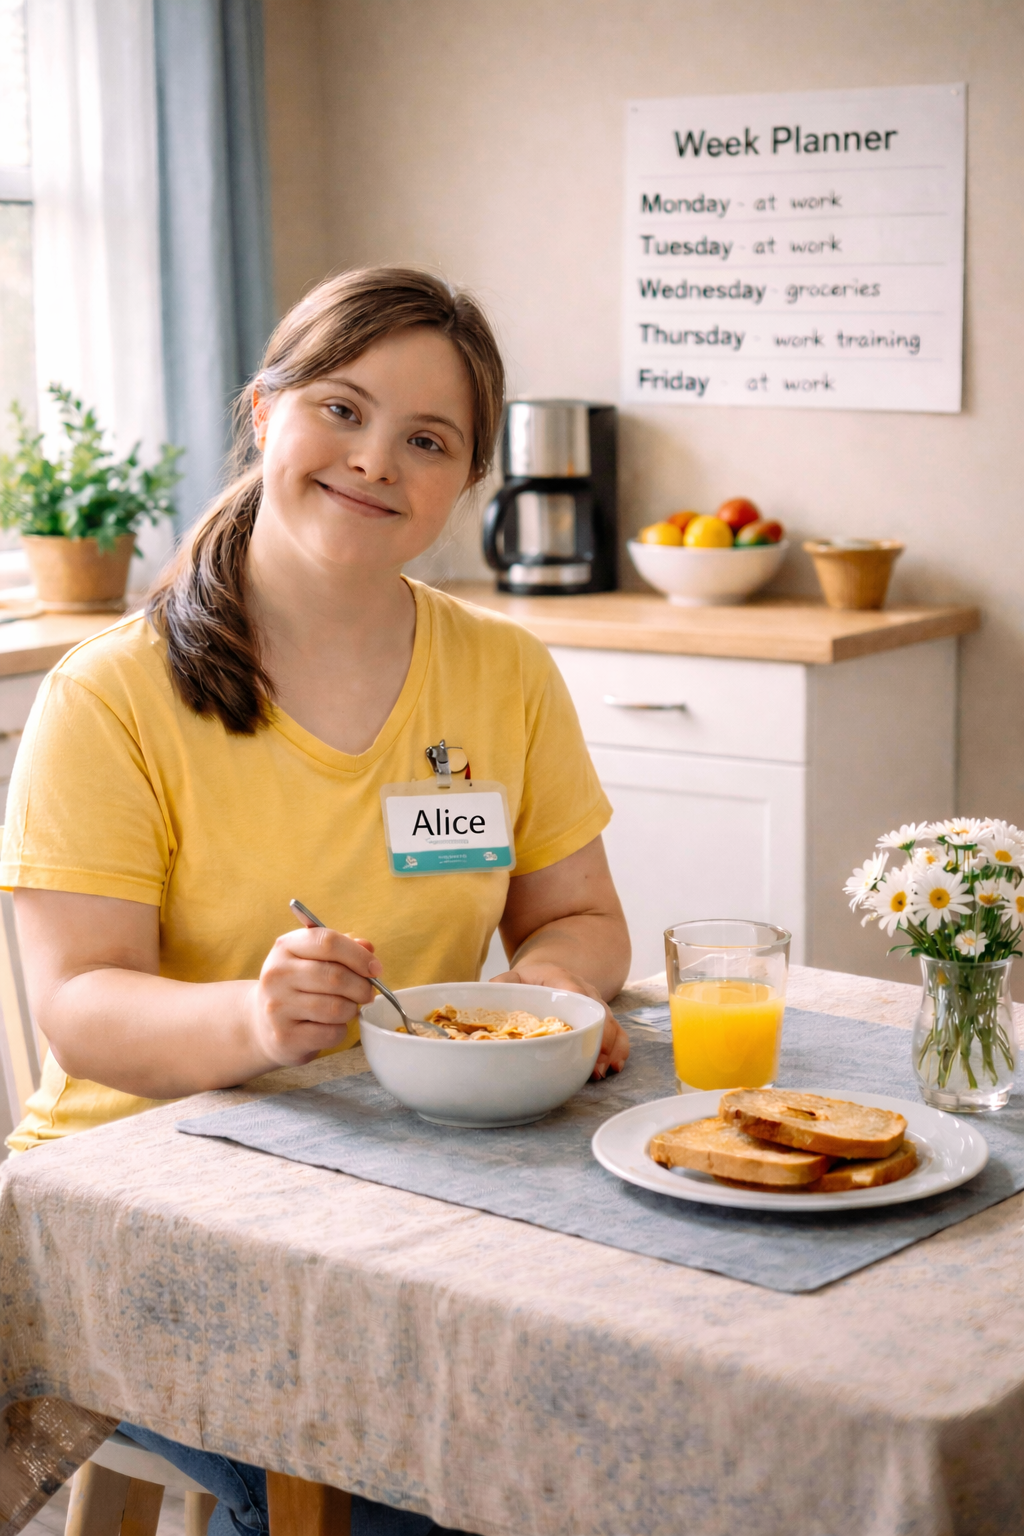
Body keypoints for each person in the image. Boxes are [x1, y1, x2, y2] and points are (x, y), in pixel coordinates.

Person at [2, 267, 630, 1534]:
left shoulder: (502, 669)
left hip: (413, 1183)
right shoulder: (108, 697)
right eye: (340, 410)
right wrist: (256, 1018)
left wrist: (549, 990)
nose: (374, 460)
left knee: (595, 1414)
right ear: (265, 412)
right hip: (145, 1205)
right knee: (401, 1482)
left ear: (464, 485)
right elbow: (78, 1005)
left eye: (427, 440)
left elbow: (578, 917)